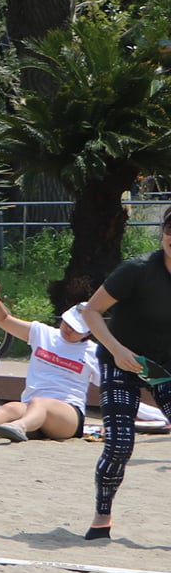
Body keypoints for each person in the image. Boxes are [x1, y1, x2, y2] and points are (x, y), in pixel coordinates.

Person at [78, 212, 171, 540]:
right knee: (119, 444)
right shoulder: (137, 269)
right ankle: (102, 516)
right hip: (122, 361)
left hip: (166, 368)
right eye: (170, 230)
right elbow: (90, 311)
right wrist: (117, 350)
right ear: (163, 233)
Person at [0, 281, 98, 443]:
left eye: (76, 328)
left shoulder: (94, 352)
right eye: (67, 322)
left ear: (88, 332)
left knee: (40, 403)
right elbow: (3, 319)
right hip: (31, 408)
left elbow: (111, 385)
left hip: (68, 415)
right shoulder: (42, 333)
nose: (68, 329)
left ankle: (19, 427)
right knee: (12, 407)